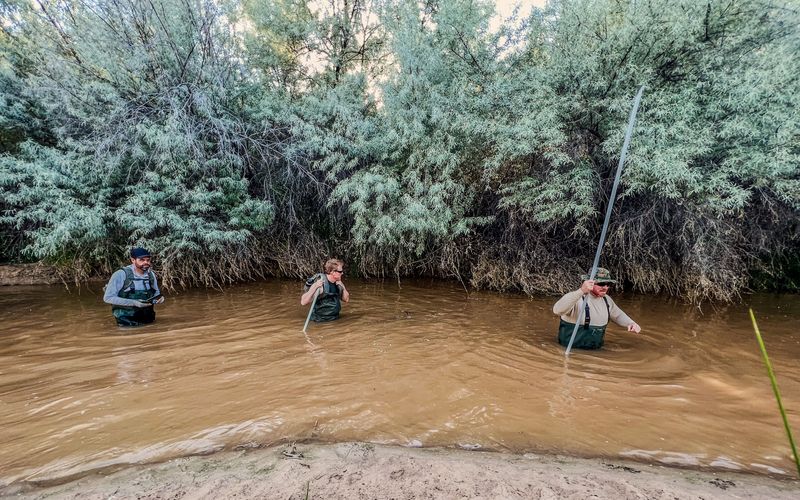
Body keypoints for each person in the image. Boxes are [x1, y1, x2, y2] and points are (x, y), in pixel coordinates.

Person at [553, 267, 641, 349]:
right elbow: (557, 310)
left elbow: (618, 315)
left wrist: (630, 323)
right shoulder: (575, 298)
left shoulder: (607, 300)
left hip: (596, 350)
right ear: (588, 282)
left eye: (608, 284)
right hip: (572, 351)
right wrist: (581, 291)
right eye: (601, 283)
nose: (605, 287)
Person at [103, 247, 165, 327]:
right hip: (126, 321)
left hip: (148, 320)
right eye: (142, 260)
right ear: (133, 260)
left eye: (148, 260)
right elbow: (108, 298)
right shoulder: (120, 274)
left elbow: (156, 293)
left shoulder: (151, 275)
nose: (146, 262)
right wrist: (134, 303)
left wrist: (160, 299)